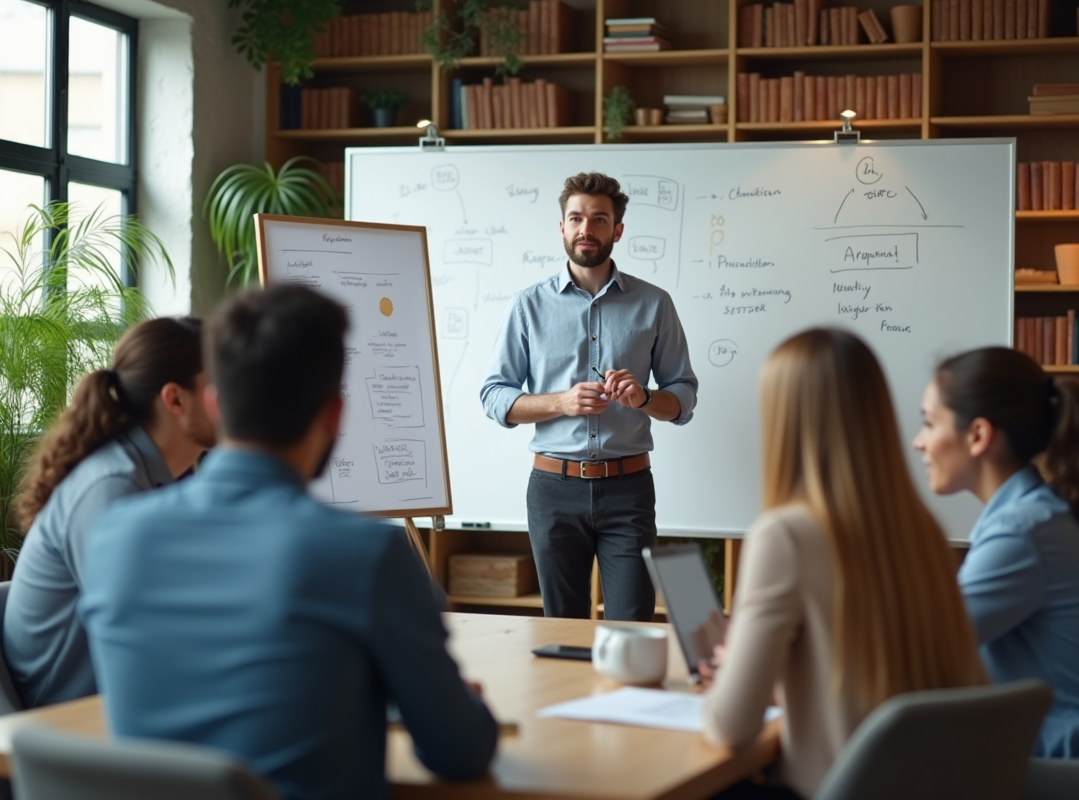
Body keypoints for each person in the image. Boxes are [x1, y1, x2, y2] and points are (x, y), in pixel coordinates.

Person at [79, 284, 497, 800]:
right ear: (334, 416)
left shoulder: (115, 537)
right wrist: (461, 707)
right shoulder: (366, 555)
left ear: (214, 403)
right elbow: (458, 753)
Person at [702, 328, 985, 799]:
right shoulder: (925, 532)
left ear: (783, 421)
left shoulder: (785, 536)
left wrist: (734, 675)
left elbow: (729, 726)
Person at [912, 346, 1079, 758]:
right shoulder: (1035, 517)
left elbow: (924, 645)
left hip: (1064, 763)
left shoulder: (1021, 533)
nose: (919, 442)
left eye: (929, 423)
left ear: (977, 436)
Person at [480, 171, 699, 621]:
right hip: (552, 490)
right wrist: (559, 402)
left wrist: (643, 398)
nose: (586, 229)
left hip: (629, 490)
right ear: (561, 227)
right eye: (576, 218)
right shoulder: (528, 306)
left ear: (617, 230)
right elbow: (494, 396)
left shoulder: (655, 304)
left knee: (631, 628)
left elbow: (683, 398)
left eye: (599, 220)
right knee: (562, 628)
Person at [6, 315, 214, 708]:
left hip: (117, 706)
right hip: (68, 726)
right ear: (175, 399)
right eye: (219, 386)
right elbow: (145, 635)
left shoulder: (162, 477)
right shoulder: (113, 486)